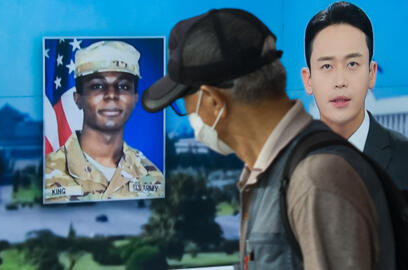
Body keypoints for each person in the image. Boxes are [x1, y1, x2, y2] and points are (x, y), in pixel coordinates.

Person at [141, 8, 395, 270]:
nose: (190, 118)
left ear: (214, 102)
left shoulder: (315, 178)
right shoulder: (269, 172)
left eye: (184, 104)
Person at [301, 1, 408, 191]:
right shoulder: (287, 164)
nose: (340, 81)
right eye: (327, 66)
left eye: (352, 64)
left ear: (371, 73)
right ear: (308, 80)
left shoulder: (404, 157)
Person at [44, 41, 164, 203]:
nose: (111, 95)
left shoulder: (153, 177)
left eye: (123, 86)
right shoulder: (47, 173)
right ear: (78, 99)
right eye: (98, 86)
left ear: (135, 99)